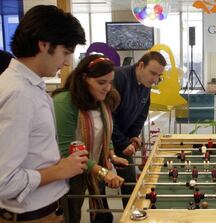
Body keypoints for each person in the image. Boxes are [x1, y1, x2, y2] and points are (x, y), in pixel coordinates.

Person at [0, 5, 87, 223]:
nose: (67, 62)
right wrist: (60, 171)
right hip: (30, 217)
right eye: (65, 53)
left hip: (45, 211)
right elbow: (5, 182)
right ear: (44, 45)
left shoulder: (29, 85)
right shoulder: (19, 93)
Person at [53, 54, 127, 223]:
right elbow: (66, 151)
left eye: (110, 82)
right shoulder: (64, 102)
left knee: (102, 214)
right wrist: (102, 172)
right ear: (85, 78)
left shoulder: (102, 101)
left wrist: (112, 155)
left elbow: (104, 134)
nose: (107, 88)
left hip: (93, 166)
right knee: (72, 216)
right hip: (68, 173)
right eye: (101, 82)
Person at [111, 51, 167, 207]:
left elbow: (142, 113)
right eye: (153, 73)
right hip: (105, 139)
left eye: (159, 76)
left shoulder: (146, 84)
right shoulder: (119, 77)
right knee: (98, 185)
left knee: (128, 181)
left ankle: (131, 214)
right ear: (141, 65)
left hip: (123, 140)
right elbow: (108, 116)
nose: (155, 80)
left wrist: (134, 136)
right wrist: (123, 142)